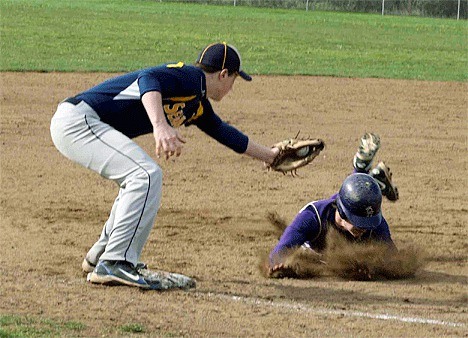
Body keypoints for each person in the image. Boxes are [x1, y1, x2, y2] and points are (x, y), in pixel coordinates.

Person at [50, 42, 280, 290]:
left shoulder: (196, 103)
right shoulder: (191, 78)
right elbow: (147, 79)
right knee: (145, 176)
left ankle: (102, 255)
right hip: (79, 121)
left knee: (137, 178)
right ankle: (116, 262)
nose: (232, 88)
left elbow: (224, 133)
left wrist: (271, 156)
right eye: (234, 80)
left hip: (82, 124)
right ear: (224, 74)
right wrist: (159, 125)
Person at [268, 133, 399, 275]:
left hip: (346, 203)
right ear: (343, 213)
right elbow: (278, 254)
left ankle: (367, 175)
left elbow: (395, 262)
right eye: (359, 222)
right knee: (351, 195)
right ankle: (368, 175)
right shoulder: (312, 217)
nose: (364, 228)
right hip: (329, 214)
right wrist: (280, 267)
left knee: (354, 194)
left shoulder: (374, 220)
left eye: (367, 223)